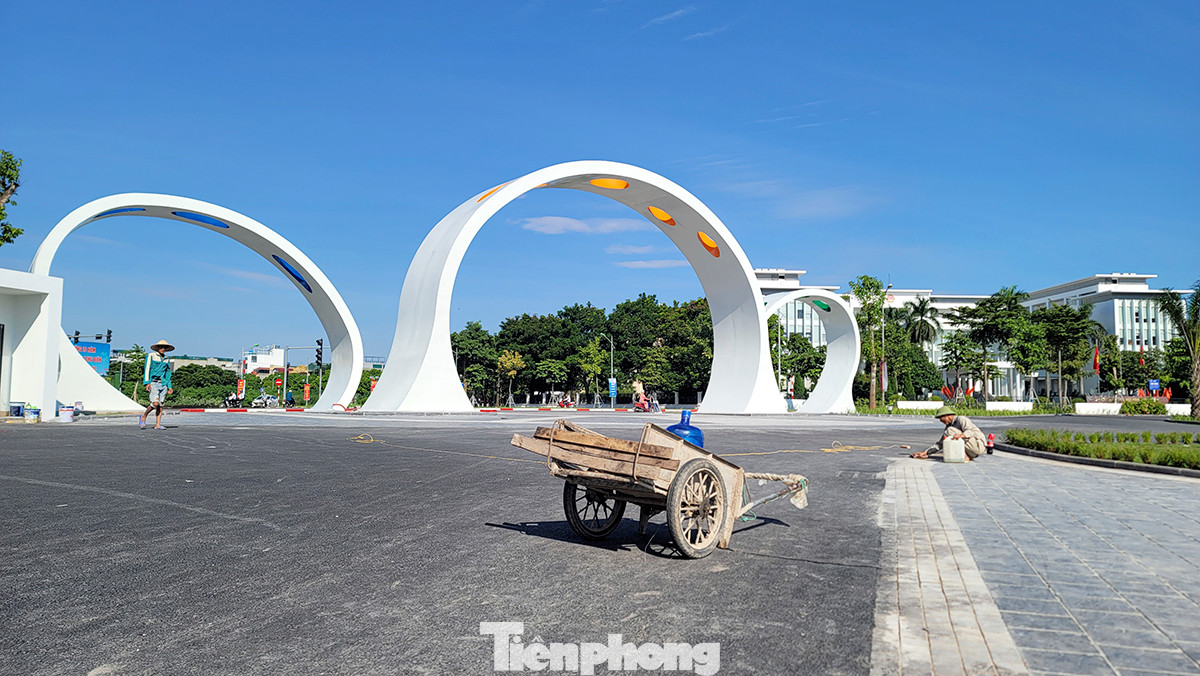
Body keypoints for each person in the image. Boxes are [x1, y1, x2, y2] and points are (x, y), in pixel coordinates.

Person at [909, 406, 987, 461]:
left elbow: (970, 431)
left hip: (978, 445)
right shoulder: (949, 427)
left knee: (950, 431)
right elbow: (940, 443)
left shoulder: (961, 419)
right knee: (948, 434)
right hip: (971, 449)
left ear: (946, 416)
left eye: (941, 418)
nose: (941, 421)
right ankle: (965, 455)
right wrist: (925, 452)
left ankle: (964, 456)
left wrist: (961, 436)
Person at [139, 339, 174, 430]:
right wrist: (147, 383)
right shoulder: (151, 356)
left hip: (163, 383)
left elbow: (168, 374)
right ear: (157, 348)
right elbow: (147, 369)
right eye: (161, 347)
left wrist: (169, 386)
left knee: (160, 405)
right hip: (153, 382)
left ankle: (157, 424)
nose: (162, 349)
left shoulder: (166, 359)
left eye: (164, 347)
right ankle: (144, 415)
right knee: (155, 403)